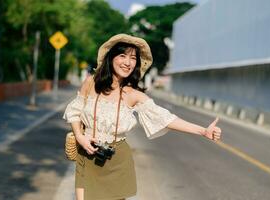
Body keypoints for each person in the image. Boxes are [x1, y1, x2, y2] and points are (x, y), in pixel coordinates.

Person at [63, 33, 222, 200]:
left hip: (117, 160)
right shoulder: (91, 82)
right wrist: (80, 137)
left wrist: (203, 131)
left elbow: (165, 118)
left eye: (133, 58)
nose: (127, 62)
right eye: (122, 55)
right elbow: (75, 111)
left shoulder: (133, 95)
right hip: (87, 156)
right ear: (111, 58)